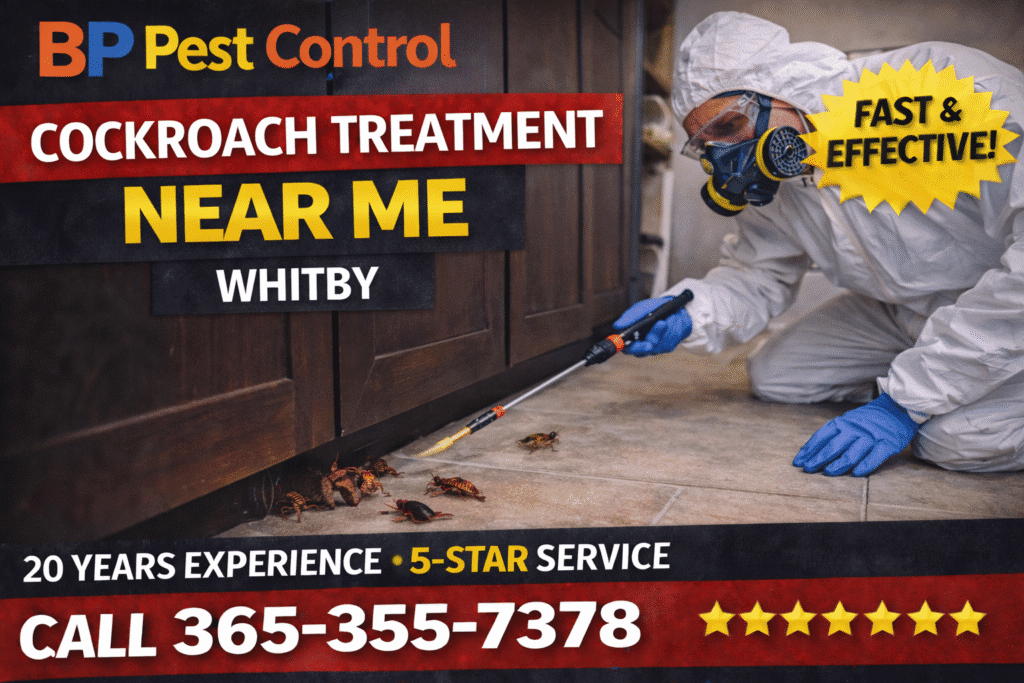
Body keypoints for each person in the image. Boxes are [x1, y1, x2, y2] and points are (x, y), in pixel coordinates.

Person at [615, 11, 1024, 476]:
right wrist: (688, 311)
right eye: (706, 147)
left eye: (728, 127)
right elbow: (757, 276)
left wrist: (903, 406)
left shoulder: (949, 87)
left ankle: (950, 385)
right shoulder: (773, 181)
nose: (726, 158)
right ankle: (938, 372)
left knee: (954, 441)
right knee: (776, 375)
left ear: (780, 85)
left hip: (999, 310)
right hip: (901, 311)